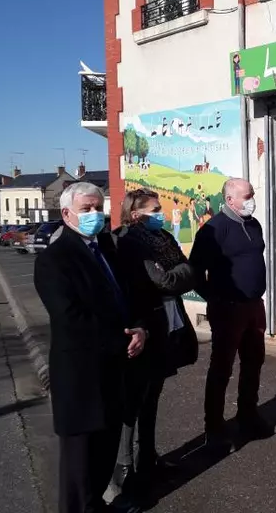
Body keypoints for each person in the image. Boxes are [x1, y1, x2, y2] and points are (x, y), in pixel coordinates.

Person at [33, 182, 146, 513]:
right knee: (80, 466)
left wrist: (141, 328)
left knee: (104, 452)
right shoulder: (55, 259)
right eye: (86, 209)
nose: (95, 214)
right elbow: (70, 318)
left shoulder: (106, 250)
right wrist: (121, 341)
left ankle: (97, 505)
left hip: (113, 371)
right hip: (81, 376)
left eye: (99, 207)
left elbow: (128, 294)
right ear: (67, 214)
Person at [111, 189, 199, 495]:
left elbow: (188, 272)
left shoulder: (162, 237)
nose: (161, 213)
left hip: (167, 324)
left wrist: (176, 274)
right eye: (155, 209)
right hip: (141, 327)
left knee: (153, 396)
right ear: (136, 214)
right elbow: (163, 280)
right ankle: (125, 466)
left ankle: (148, 457)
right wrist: (176, 275)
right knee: (133, 400)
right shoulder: (128, 241)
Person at [189, 178, 272, 446]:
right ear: (229, 200)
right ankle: (213, 427)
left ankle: (248, 414)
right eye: (246, 196)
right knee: (221, 368)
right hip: (227, 309)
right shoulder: (214, 230)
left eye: (252, 195)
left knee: (253, 362)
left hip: (254, 307)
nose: (252, 200)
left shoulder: (253, 224)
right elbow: (194, 272)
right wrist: (216, 298)